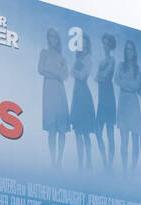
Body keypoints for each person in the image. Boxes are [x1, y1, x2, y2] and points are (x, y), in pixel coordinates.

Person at [38, 27, 69, 168]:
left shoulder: (62, 58)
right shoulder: (43, 53)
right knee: (51, 127)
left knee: (61, 128)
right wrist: (55, 72)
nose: (53, 39)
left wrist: (52, 72)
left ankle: (60, 160)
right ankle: (52, 160)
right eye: (50, 36)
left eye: (55, 37)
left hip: (59, 91)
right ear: (48, 38)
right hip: (49, 90)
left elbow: (64, 76)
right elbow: (40, 69)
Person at [68, 31, 97, 170]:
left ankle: (89, 161)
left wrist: (75, 72)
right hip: (76, 95)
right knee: (78, 132)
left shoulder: (88, 58)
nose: (82, 43)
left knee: (85, 132)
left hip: (84, 96)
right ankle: (80, 163)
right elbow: (71, 72)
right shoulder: (78, 58)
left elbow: (82, 75)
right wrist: (75, 72)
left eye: (84, 40)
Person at [114, 40, 141, 172]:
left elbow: (136, 86)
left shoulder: (137, 69)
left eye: (131, 49)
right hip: (123, 105)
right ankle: (125, 169)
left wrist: (125, 84)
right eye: (127, 49)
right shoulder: (121, 65)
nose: (129, 51)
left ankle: (133, 169)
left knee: (135, 139)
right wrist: (129, 85)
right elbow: (116, 80)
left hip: (134, 106)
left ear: (134, 52)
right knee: (124, 140)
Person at [94, 33, 117, 171]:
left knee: (109, 134)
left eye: (107, 43)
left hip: (109, 97)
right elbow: (97, 77)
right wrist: (101, 76)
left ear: (111, 46)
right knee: (98, 132)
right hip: (102, 98)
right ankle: (105, 161)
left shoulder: (112, 60)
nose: (105, 46)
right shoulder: (102, 61)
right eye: (104, 43)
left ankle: (109, 163)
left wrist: (101, 76)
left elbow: (103, 75)